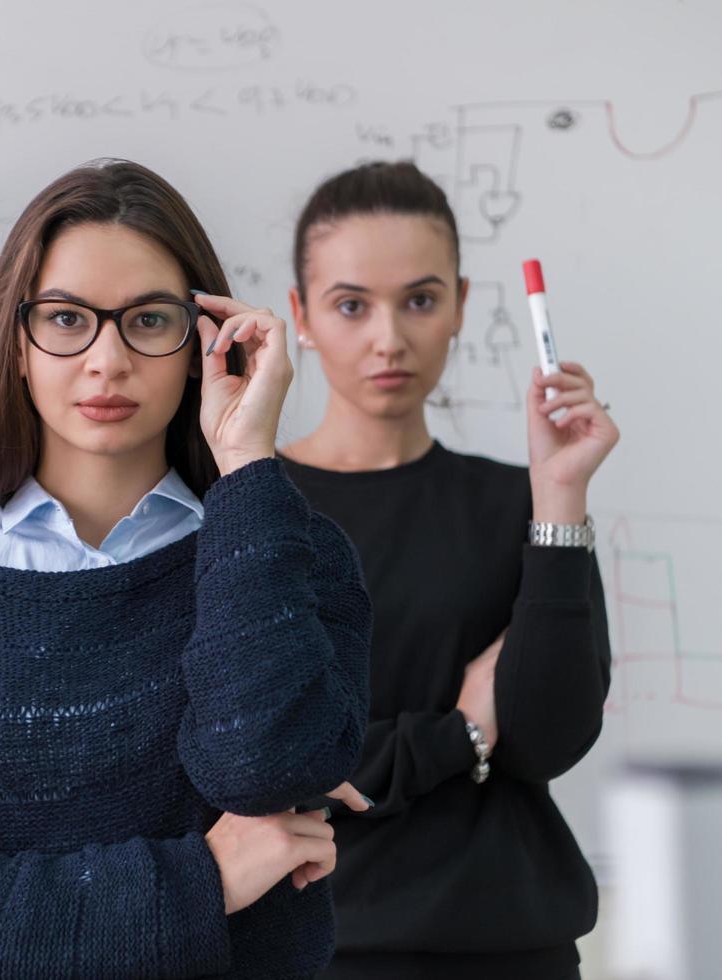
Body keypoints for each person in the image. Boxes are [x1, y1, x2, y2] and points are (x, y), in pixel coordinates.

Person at [0, 159, 371, 979]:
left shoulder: (292, 555)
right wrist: (201, 879)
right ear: (16, 346)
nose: (106, 360)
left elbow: (264, 766)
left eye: (147, 320)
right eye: (68, 320)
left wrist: (247, 462)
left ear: (200, 345)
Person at [279, 160, 618, 980]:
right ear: (301, 317)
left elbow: (550, 739)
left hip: (512, 948)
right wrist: (459, 734)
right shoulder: (252, 513)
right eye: (351, 305)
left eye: (421, 301)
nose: (388, 338)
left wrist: (560, 496)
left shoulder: (521, 505)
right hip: (319, 951)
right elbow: (267, 765)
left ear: (462, 306)